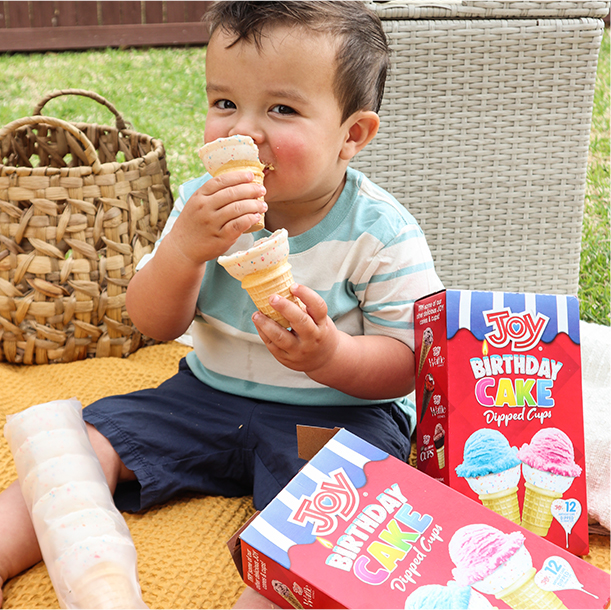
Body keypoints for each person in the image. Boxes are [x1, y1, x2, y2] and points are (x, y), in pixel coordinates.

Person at [0, 2, 443, 607]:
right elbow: (154, 322)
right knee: (78, 446)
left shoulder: (380, 232)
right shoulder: (199, 207)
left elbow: (409, 362)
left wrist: (329, 353)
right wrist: (183, 251)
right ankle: (92, 580)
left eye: (281, 109)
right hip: (205, 396)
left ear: (352, 135)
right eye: (225, 103)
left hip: (337, 415)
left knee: (335, 521)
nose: (243, 130)